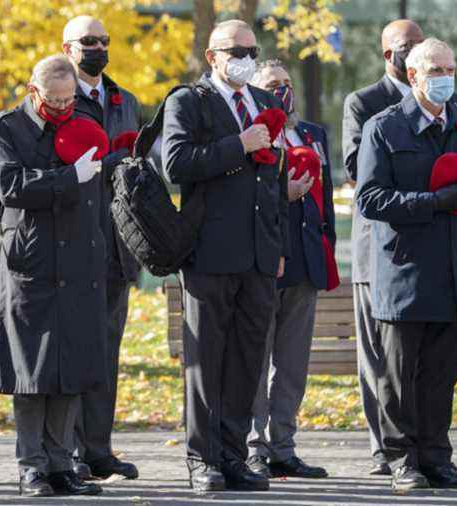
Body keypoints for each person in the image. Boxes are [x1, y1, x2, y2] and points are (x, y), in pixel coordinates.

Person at [355, 38, 457, 491]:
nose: (445, 78)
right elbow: (370, 199)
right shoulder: (383, 127)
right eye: (436, 70)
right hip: (405, 273)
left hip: (455, 272)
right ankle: (401, 459)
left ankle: (437, 457)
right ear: (413, 75)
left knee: (442, 373)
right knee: (399, 376)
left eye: (450, 68)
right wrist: (429, 202)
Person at [162, 19, 288, 493]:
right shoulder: (189, 101)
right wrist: (238, 144)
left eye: (253, 50)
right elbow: (175, 164)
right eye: (236, 50)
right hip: (209, 253)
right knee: (206, 360)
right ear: (212, 56)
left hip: (258, 256)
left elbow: (274, 183)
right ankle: (203, 458)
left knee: (247, 359)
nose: (246, 58)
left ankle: (234, 455)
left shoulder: (266, 102)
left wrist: (276, 247)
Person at [0, 54, 107, 497]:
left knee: (70, 367)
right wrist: (69, 177)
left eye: (70, 98)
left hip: (79, 262)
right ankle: (30, 465)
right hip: (31, 264)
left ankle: (61, 464)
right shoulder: (2, 130)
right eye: (54, 100)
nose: (63, 107)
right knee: (31, 370)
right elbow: (10, 186)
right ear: (34, 91)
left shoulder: (83, 121)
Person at [342, 19, 425, 476]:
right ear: (386, 53)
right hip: (377, 249)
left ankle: (417, 443)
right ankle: (384, 448)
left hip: (426, 250)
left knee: (416, 356)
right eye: (403, 46)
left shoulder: (441, 102)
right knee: (378, 356)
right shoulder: (364, 103)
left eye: (417, 44)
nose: (411, 52)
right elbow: (358, 168)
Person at [61, 14, 140, 481]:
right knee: (73, 350)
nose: (97, 48)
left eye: (103, 41)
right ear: (68, 48)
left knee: (107, 351)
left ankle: (98, 448)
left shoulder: (124, 99)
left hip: (117, 242)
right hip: (72, 242)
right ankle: (68, 449)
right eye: (88, 41)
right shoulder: (55, 99)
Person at [247, 59, 335, 480]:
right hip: (263, 262)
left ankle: (284, 446)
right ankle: (254, 447)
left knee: (293, 366)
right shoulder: (250, 134)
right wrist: (282, 190)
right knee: (257, 361)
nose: (282, 91)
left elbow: (327, 202)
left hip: (305, 262)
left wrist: (328, 248)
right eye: (271, 85)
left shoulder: (313, 135)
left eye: (286, 84)